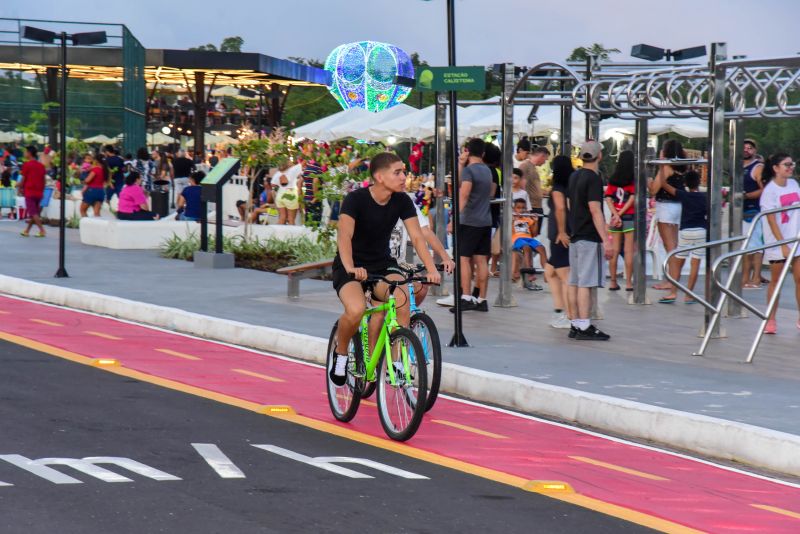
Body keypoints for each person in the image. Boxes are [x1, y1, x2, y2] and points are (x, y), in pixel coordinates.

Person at [329, 152, 440, 386]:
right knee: (357, 309)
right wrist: (350, 267)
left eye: (404, 172)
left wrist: (431, 269)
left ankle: (396, 364)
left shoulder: (402, 200)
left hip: (381, 263)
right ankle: (340, 354)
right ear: (379, 176)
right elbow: (344, 237)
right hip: (351, 265)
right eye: (397, 172)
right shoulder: (356, 200)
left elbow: (418, 237)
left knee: (401, 295)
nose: (403, 177)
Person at [566, 141, 612, 340]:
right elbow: (595, 209)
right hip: (588, 236)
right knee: (586, 282)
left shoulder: (574, 176)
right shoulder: (593, 178)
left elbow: (569, 204)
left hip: (576, 234)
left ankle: (575, 323)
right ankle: (585, 325)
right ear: (599, 156)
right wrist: (606, 239)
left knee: (575, 281)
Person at [448, 138, 495, 312]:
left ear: (468, 151)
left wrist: (454, 219)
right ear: (483, 153)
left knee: (463, 259)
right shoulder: (488, 171)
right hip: (485, 221)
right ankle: (482, 299)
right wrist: (461, 164)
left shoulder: (470, 171)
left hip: (469, 221)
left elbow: (464, 193)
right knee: (482, 260)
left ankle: (466, 297)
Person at [760, 152, 800, 334]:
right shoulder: (770, 191)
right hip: (778, 241)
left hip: (796, 237)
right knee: (776, 281)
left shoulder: (793, 184)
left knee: (799, 279)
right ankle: (771, 318)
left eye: (792, 164)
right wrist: (782, 244)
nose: (791, 167)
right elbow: (770, 220)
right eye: (787, 165)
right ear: (776, 168)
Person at [655, 170, 707, 304]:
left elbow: (665, 186)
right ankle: (689, 295)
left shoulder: (684, 195)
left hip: (685, 232)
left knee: (678, 262)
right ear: (699, 182)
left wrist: (661, 169)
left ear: (685, 184)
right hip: (701, 231)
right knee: (695, 264)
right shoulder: (705, 196)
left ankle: (672, 293)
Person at [649, 139, 687, 291]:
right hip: (679, 206)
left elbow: (653, 190)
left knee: (669, 246)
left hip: (666, 206)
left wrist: (649, 180)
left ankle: (671, 281)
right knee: (674, 245)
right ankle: (673, 279)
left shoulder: (666, 167)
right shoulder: (682, 167)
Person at [545, 155, 574, 329]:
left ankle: (570, 316)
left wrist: (562, 231)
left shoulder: (558, 188)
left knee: (565, 276)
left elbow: (561, 208)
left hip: (559, 235)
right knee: (550, 272)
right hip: (561, 233)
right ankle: (560, 311)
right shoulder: (571, 185)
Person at [605, 150, 636, 291]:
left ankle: (612, 282)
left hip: (614, 218)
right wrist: (622, 213)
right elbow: (632, 198)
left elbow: (608, 198)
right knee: (628, 251)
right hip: (629, 217)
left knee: (615, 250)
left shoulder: (613, 179)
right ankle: (629, 283)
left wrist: (615, 214)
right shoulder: (632, 179)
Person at [741, 139, 766, 289]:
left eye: (750, 148)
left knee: (756, 246)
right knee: (745, 246)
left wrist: (747, 196)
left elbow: (765, 189)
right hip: (741, 211)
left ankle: (755, 278)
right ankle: (745, 277)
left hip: (754, 211)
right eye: (744, 148)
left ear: (755, 151)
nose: (746, 150)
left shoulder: (758, 167)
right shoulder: (738, 166)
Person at [511, 198, 547, 290]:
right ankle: (530, 274)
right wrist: (513, 220)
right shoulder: (512, 218)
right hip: (518, 239)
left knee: (542, 248)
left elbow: (534, 233)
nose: (521, 210)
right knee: (527, 248)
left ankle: (547, 273)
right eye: (518, 208)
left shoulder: (527, 218)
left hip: (529, 239)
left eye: (523, 208)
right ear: (514, 209)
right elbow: (509, 233)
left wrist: (535, 221)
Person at [18, 145, 46, 237]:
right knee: (35, 213)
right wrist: (42, 190)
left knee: (33, 213)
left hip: (30, 192)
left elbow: (23, 179)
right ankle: (27, 230)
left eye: (25, 152)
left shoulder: (27, 165)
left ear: (29, 153)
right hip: (39, 192)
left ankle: (42, 230)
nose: (24, 153)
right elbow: (44, 180)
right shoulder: (41, 166)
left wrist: (19, 188)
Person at [520, 146, 550, 215]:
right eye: (545, 159)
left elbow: (534, 187)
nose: (544, 162)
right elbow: (522, 187)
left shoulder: (533, 168)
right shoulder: (525, 166)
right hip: (531, 207)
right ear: (542, 156)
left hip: (536, 207)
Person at [80, 153, 106, 218]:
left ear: (96, 161)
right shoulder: (105, 170)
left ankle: (87, 225)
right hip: (101, 191)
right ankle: (97, 226)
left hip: (92, 191)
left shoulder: (95, 169)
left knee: (82, 210)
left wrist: (84, 179)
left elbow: (87, 180)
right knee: (97, 213)